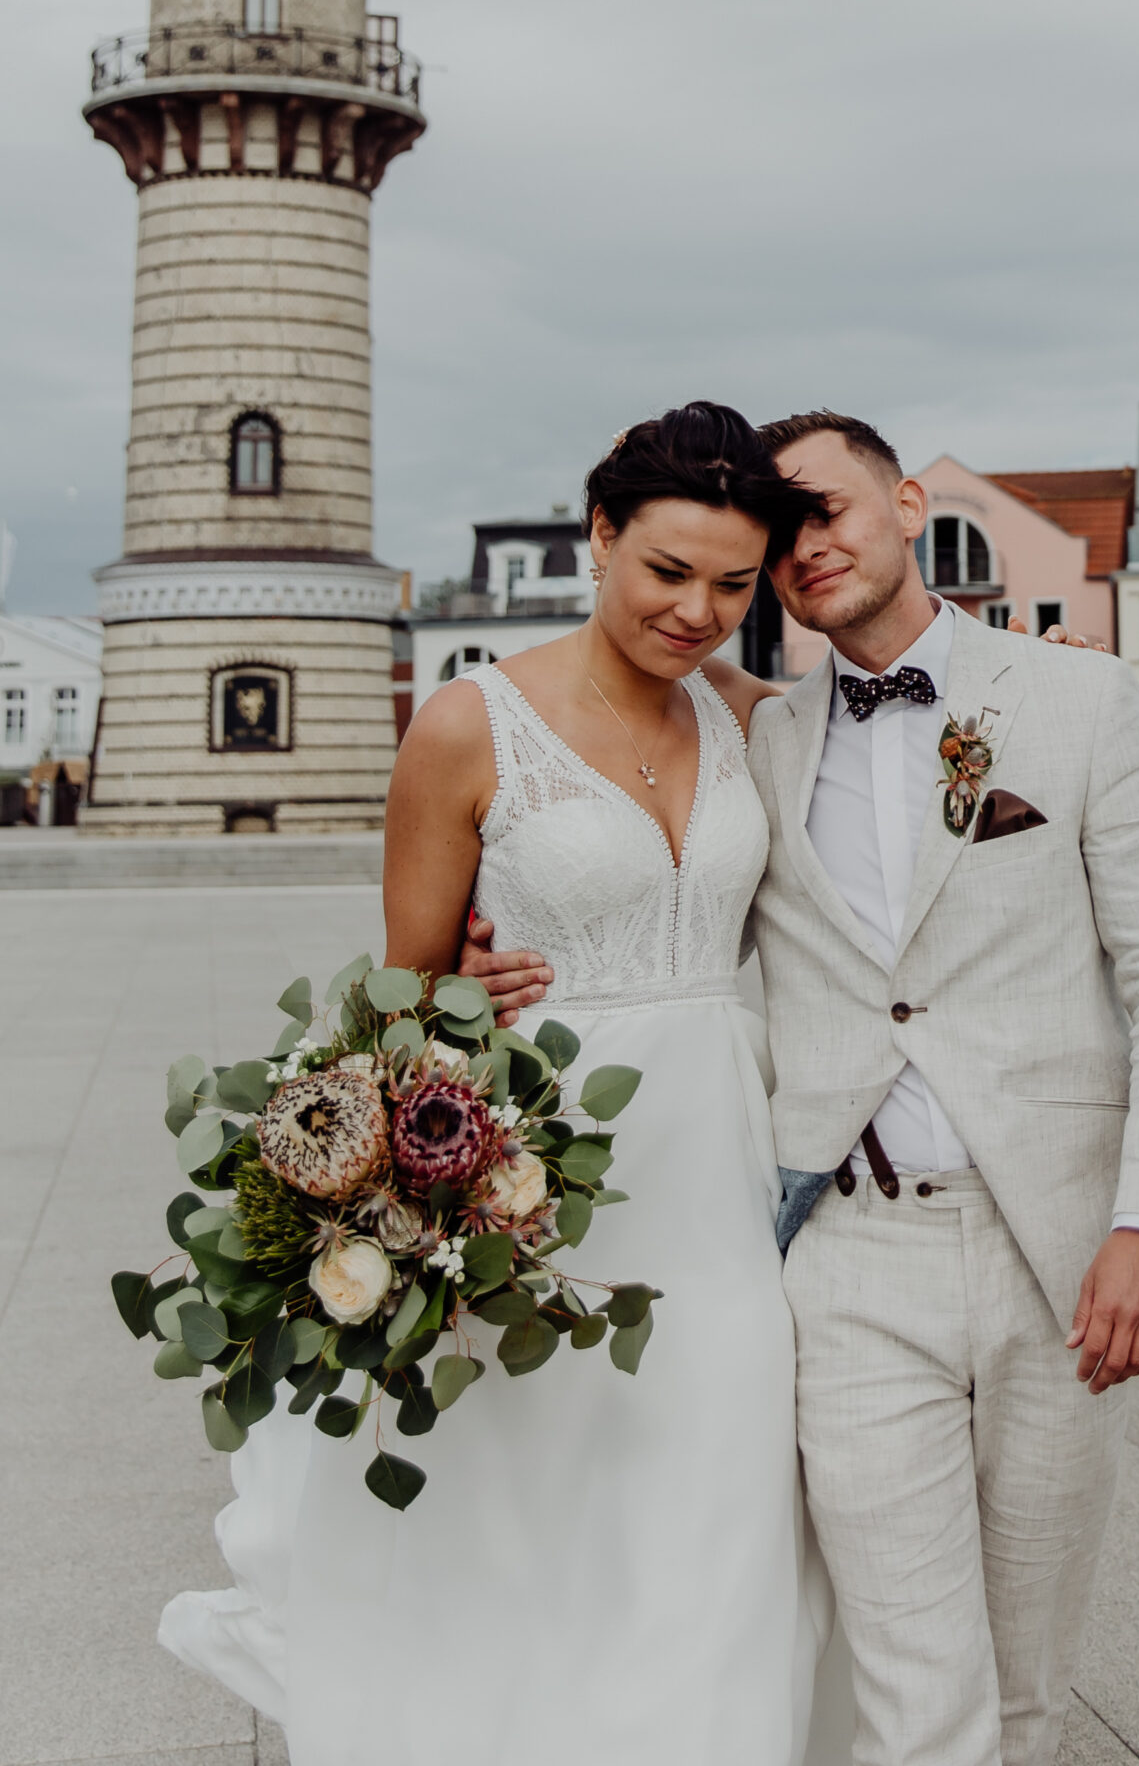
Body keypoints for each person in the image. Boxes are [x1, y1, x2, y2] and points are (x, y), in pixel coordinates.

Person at [469, 412, 1139, 1766]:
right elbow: (647, 874)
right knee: (905, 1672)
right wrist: (498, 951)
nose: (806, 551)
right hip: (844, 1257)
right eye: (778, 541)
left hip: (1051, 1249)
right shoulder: (753, 739)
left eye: (829, 511)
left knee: (1028, 1670)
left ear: (906, 501)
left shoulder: (1078, 700)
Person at [160, 403, 852, 1766]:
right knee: (534, 1484)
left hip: (721, 1149)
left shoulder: (755, 717)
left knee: (715, 1470)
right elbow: (402, 990)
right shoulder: (470, 726)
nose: (697, 612)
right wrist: (469, 989)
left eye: (729, 583)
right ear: (596, 537)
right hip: (542, 1156)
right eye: (666, 572)